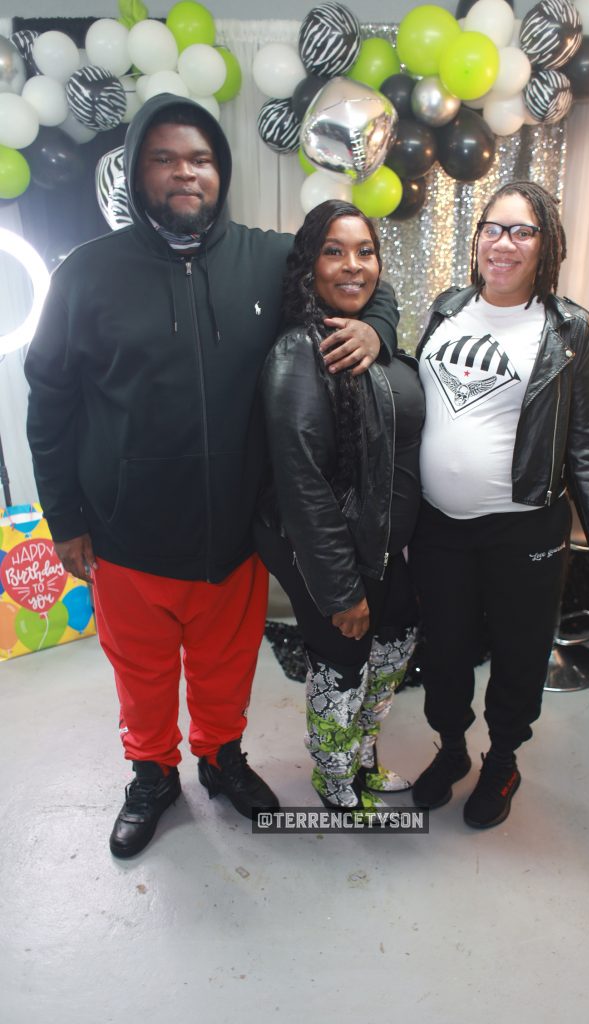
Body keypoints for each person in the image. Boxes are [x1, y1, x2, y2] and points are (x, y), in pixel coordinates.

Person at [24, 95, 399, 858]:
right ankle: (151, 774)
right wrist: (65, 518)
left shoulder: (267, 257)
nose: (184, 173)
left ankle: (222, 757)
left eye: (199, 158)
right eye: (163, 158)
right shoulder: (86, 274)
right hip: (127, 534)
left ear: (220, 171)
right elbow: (50, 402)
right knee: (141, 673)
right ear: (137, 171)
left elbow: (361, 277)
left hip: (234, 533)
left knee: (226, 668)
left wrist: (377, 329)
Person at [409, 180, 589, 829]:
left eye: (521, 230)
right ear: (477, 237)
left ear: (546, 246)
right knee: (444, 651)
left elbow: (588, 451)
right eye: (493, 227)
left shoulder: (570, 330)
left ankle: (502, 760)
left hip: (525, 530)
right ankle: (451, 748)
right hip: (438, 526)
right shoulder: (447, 308)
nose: (503, 243)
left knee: (517, 654)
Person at [255, 200, 425, 811]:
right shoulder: (299, 353)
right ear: (309, 266)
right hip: (330, 548)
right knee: (342, 655)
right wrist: (340, 591)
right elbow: (302, 486)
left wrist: (378, 329)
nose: (353, 265)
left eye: (365, 251)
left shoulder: (365, 328)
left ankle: (361, 754)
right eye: (334, 251)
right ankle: (334, 777)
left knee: (396, 637)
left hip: (379, 539)